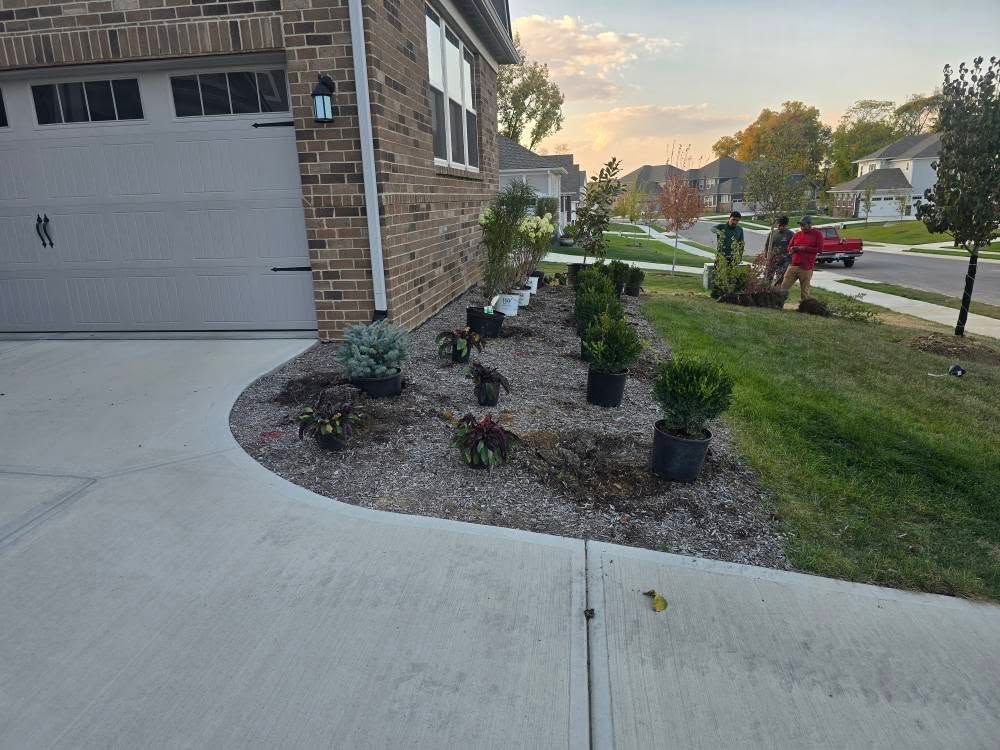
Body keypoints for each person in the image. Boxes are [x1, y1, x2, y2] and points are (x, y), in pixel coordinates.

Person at [780, 215, 824, 298]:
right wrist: (791, 249)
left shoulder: (817, 235)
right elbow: (789, 247)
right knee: (783, 288)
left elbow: (820, 249)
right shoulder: (797, 234)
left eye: (804, 225)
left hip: (806, 268)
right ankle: (779, 303)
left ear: (809, 224)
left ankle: (804, 305)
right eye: (801, 225)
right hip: (793, 266)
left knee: (805, 292)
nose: (802, 227)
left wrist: (804, 248)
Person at [764, 215, 793, 286]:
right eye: (778, 225)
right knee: (768, 277)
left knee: (780, 279)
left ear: (786, 225)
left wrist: (789, 259)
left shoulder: (790, 234)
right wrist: (766, 255)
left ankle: (777, 289)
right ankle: (766, 289)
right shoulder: (772, 233)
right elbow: (767, 245)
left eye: (781, 226)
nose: (779, 227)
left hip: (784, 261)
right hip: (772, 259)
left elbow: (793, 248)